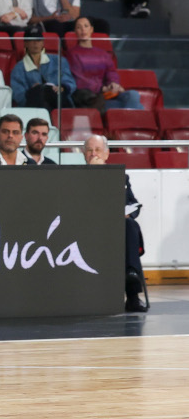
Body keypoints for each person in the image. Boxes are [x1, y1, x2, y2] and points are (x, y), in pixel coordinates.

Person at [83, 134, 147, 312]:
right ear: (83, 153)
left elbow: (133, 204)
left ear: (106, 154)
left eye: (97, 150)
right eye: (89, 150)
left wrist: (129, 213)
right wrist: (95, 175)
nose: (93, 154)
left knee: (131, 225)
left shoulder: (121, 177)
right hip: (89, 230)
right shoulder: (78, 176)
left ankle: (132, 290)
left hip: (117, 231)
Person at [66, 16, 142, 111]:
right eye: (79, 27)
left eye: (86, 26)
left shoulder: (103, 53)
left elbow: (111, 71)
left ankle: (127, 118)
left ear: (91, 29)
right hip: (90, 98)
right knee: (138, 107)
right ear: (75, 32)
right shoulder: (72, 54)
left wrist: (113, 84)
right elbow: (79, 79)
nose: (83, 29)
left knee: (133, 95)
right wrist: (102, 88)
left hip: (107, 94)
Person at [10, 25, 75, 110]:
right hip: (34, 105)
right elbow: (18, 95)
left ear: (43, 42)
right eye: (32, 40)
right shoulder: (18, 68)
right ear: (25, 43)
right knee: (39, 91)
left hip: (58, 99)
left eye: (38, 40)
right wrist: (32, 91)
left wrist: (62, 87)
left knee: (48, 91)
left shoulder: (59, 61)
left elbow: (69, 82)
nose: (35, 43)